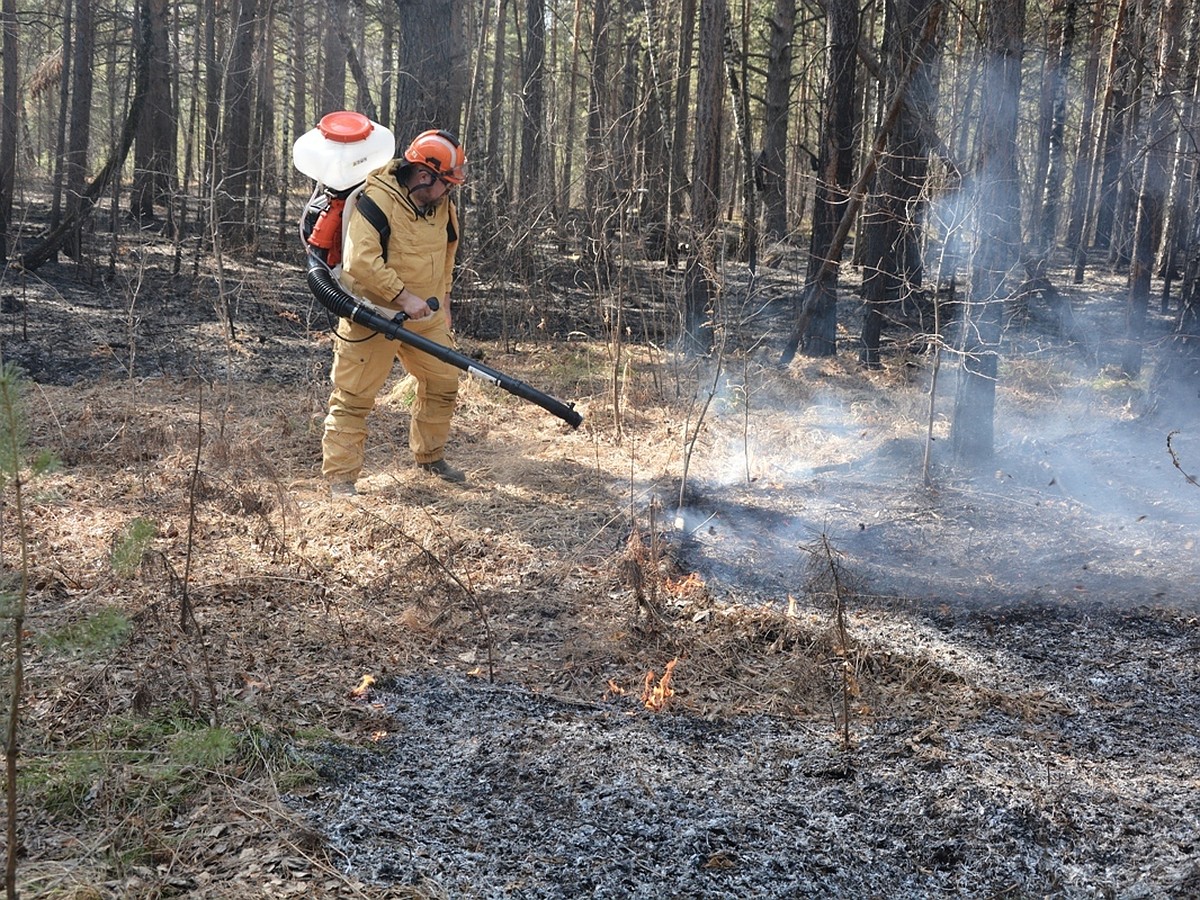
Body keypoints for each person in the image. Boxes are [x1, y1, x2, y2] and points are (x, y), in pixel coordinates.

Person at [321, 129, 468, 497]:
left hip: (427, 315)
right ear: (423, 175)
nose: (449, 191)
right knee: (353, 397)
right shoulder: (376, 201)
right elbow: (361, 262)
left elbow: (448, 250)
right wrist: (402, 298)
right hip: (374, 315)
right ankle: (342, 480)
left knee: (444, 382)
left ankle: (430, 458)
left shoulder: (441, 206)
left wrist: (444, 301)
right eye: (445, 183)